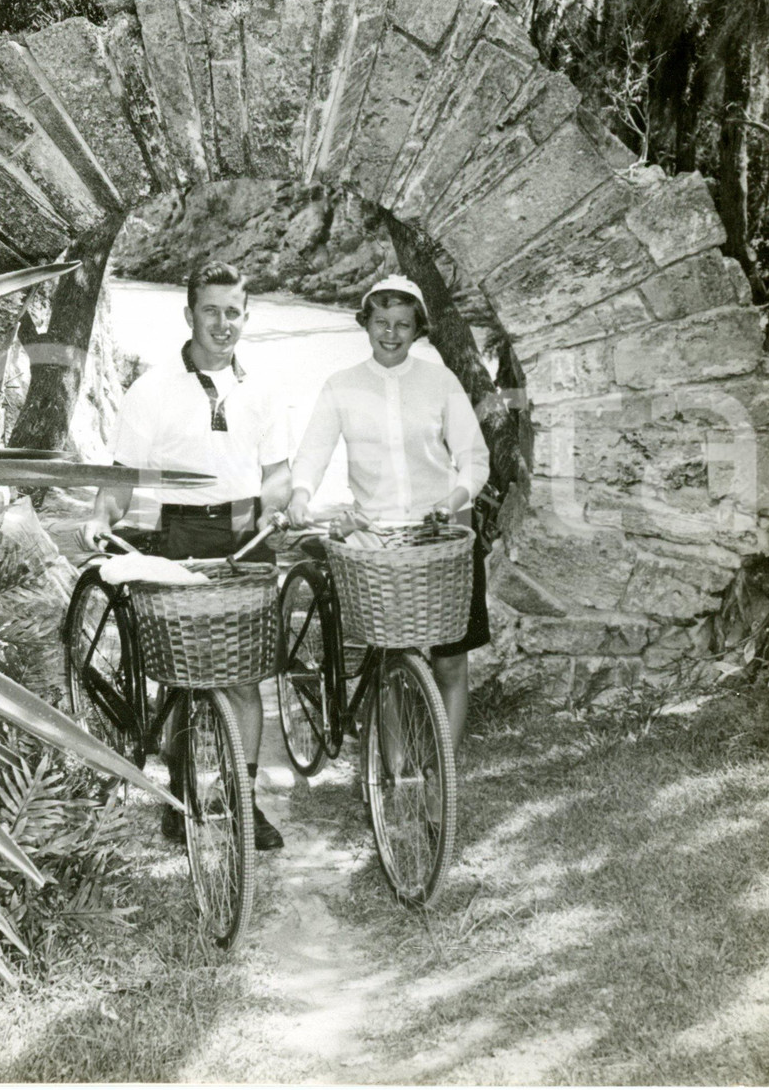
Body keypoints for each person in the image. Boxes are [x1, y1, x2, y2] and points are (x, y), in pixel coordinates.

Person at [79, 261, 290, 850]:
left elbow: (276, 473)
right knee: (180, 674)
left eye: (233, 312)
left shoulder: (263, 388)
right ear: (190, 315)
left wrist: (278, 508)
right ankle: (179, 795)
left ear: (246, 316)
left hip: (247, 537)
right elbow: (121, 478)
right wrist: (101, 516)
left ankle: (243, 803)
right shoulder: (151, 389)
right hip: (181, 535)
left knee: (246, 678)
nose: (223, 324)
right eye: (211, 311)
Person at [287, 274, 490, 750]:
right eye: (381, 322)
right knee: (388, 657)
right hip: (379, 540)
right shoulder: (342, 386)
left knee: (450, 661)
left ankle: (445, 769)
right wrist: (300, 494)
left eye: (403, 323)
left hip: (444, 535)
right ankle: (395, 771)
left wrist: (453, 500)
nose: (391, 333)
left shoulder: (441, 381)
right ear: (366, 323)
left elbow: (474, 458)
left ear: (418, 328)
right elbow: (312, 453)